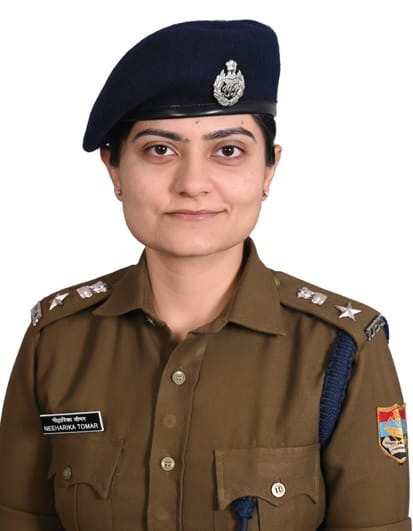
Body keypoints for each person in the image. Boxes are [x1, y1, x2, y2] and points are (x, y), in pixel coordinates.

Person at [0, 19, 410, 531]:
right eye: (160, 149)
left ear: (269, 169)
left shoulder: (343, 349)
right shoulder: (55, 340)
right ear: (114, 169)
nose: (193, 183)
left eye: (228, 150)